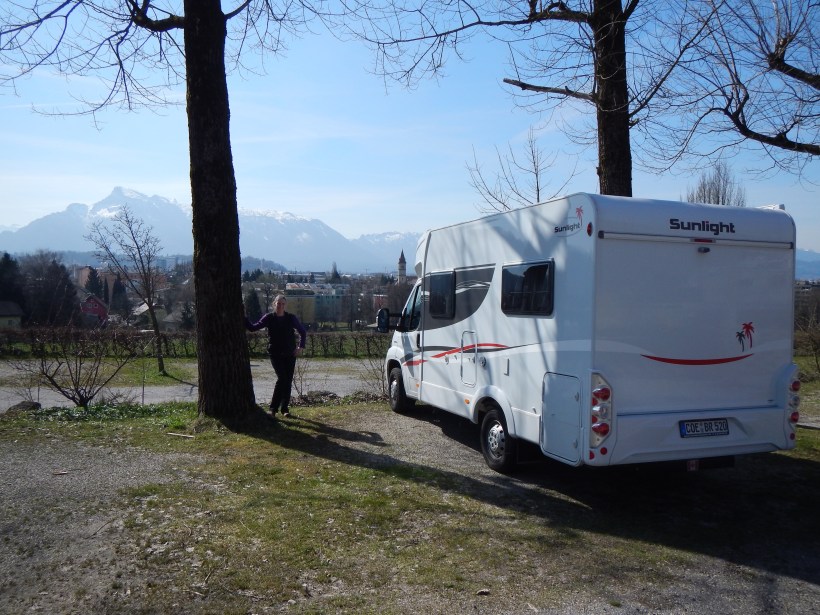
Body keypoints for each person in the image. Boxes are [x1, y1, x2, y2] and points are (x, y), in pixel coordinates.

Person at [245, 294, 307, 417]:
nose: (280, 306)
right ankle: (273, 408)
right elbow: (253, 328)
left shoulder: (291, 318)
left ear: (285, 305)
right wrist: (243, 317)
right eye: (278, 303)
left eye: (283, 304)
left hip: (290, 353)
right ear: (274, 304)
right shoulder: (269, 317)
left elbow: (303, 332)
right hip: (275, 353)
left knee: (288, 381)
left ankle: (284, 409)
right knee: (282, 378)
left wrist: (300, 347)